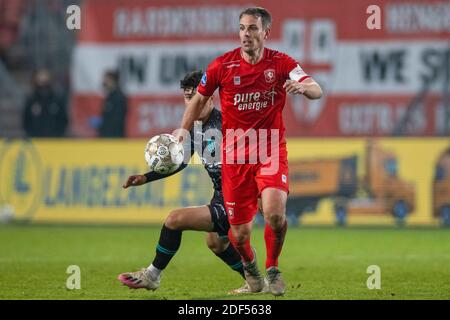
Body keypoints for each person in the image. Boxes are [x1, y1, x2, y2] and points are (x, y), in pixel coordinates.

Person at [175, 7, 322, 296]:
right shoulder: (222, 65)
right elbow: (197, 101)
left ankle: (273, 268)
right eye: (242, 28)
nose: (246, 34)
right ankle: (251, 269)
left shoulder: (281, 63)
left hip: (270, 150)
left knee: (275, 214)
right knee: (239, 234)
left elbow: (316, 88)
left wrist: (303, 89)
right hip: (235, 157)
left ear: (266, 32)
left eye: (253, 28)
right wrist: (183, 129)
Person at [117, 71, 265, 294]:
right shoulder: (196, 128)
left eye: (197, 97)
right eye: (188, 98)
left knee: (174, 220)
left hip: (237, 198)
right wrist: (146, 177)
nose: (192, 102)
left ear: (210, 98)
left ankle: (152, 275)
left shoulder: (228, 124)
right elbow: (181, 161)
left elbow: (255, 158)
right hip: (221, 196)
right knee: (216, 243)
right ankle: (256, 282)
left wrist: (261, 195)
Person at [22, 69, 68, 137]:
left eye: (45, 81)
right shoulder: (31, 101)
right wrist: (32, 134)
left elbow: (63, 120)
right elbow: (26, 121)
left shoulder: (57, 100)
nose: (43, 83)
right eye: (40, 81)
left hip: (55, 140)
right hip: (36, 139)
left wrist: (58, 135)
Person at [97, 70, 128, 137]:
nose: (104, 83)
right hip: (107, 136)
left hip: (114, 137)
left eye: (107, 80)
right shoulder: (109, 97)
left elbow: (117, 120)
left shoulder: (119, 98)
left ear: (113, 81)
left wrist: (103, 123)